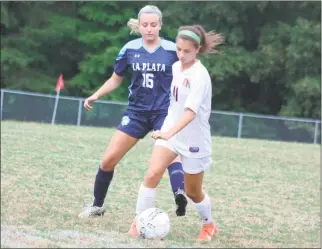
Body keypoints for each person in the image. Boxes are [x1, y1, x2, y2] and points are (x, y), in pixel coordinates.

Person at [78, 5, 188, 219]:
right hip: (136, 113)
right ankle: (97, 206)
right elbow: (115, 78)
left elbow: (187, 75)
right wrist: (96, 94)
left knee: (170, 155)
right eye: (145, 25)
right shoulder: (128, 49)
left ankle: (179, 194)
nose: (149, 29)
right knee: (108, 160)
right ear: (138, 26)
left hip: (164, 113)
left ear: (160, 26)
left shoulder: (172, 50)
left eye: (153, 25)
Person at [127, 25, 224, 241]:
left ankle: (208, 225)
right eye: (178, 49)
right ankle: (138, 222)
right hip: (171, 132)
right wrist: (141, 26)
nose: (181, 55)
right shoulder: (176, 67)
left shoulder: (200, 75)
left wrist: (167, 132)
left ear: (197, 49)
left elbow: (190, 114)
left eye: (186, 51)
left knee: (192, 192)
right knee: (152, 174)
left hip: (194, 139)